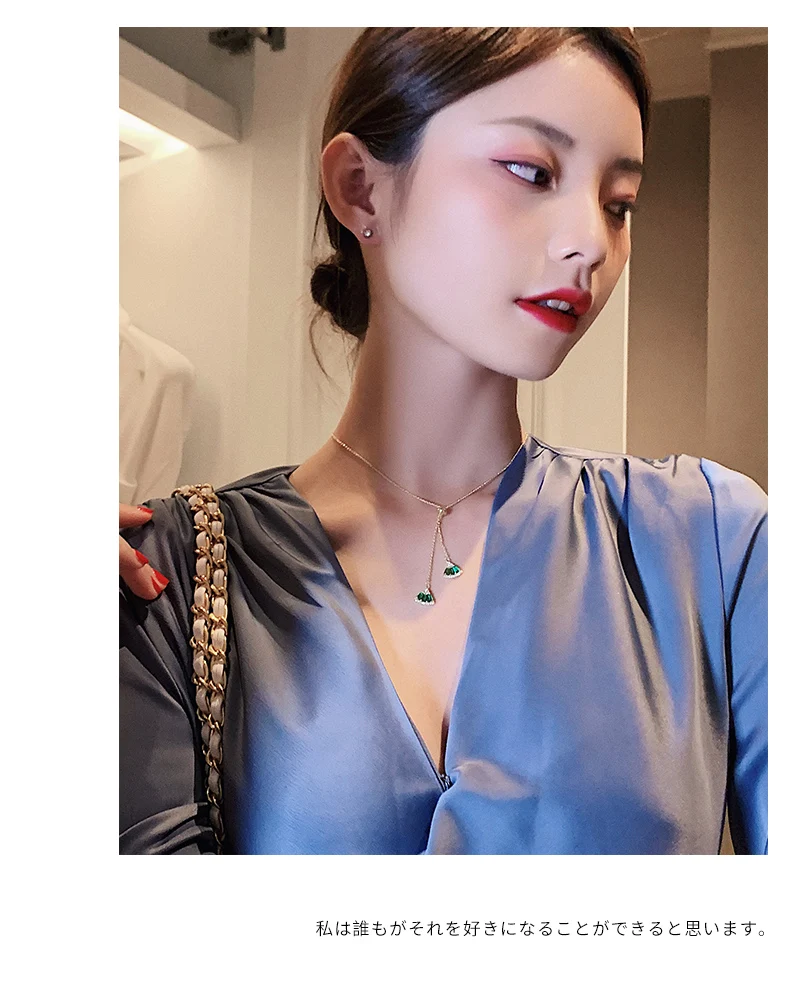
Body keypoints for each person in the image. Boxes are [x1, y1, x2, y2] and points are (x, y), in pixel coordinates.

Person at [119, 27, 767, 854]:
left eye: (619, 203)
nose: (591, 243)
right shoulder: (165, 576)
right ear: (361, 188)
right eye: (532, 171)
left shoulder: (709, 543)